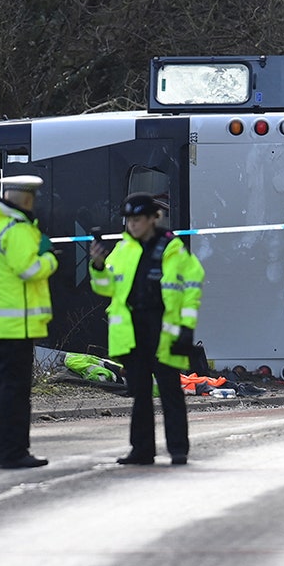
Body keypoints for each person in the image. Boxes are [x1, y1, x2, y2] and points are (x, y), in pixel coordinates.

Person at [89, 193, 204, 466]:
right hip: (132, 331)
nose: (133, 225)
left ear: (154, 218)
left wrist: (186, 328)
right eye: (129, 220)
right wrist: (97, 266)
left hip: (163, 330)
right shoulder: (123, 249)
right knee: (139, 394)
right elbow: (105, 288)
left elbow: (192, 285)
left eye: (138, 220)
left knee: (170, 391)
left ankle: (178, 450)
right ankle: (141, 450)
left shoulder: (171, 248)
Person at [0, 174, 58, 470]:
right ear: (27, 199)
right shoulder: (17, 229)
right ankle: (15, 452)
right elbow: (30, 269)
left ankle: (3, 449)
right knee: (16, 392)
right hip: (17, 323)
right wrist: (49, 258)